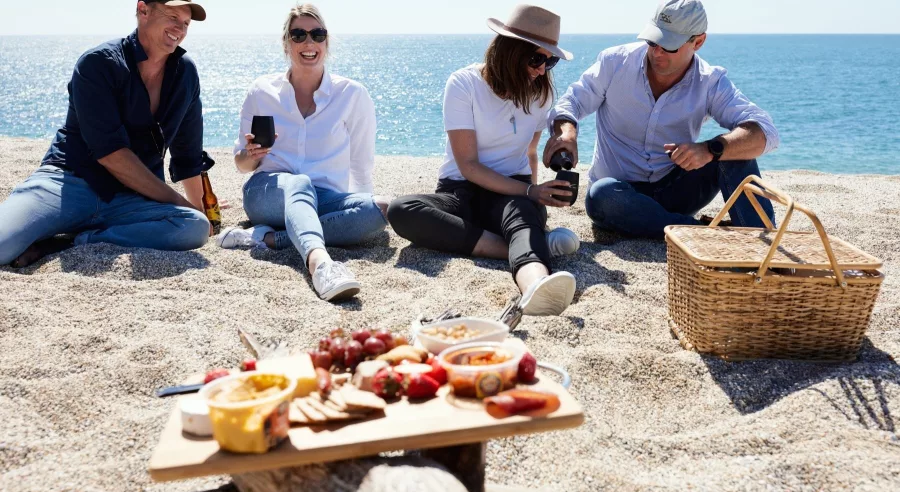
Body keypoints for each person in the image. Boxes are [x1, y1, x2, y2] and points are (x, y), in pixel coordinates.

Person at [388, 5, 580, 317]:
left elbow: (530, 153)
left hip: (512, 192)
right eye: (536, 58)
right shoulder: (464, 84)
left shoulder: (540, 95)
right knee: (402, 210)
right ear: (510, 51)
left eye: (550, 60)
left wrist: (534, 198)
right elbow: (468, 165)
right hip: (459, 190)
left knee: (523, 217)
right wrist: (531, 194)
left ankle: (535, 285)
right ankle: (528, 246)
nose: (542, 69)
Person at [0, 0, 213, 268]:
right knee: (2, 246)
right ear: (143, 10)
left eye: (185, 23)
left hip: (132, 197)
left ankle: (68, 243)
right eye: (172, 17)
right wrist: (178, 200)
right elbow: (111, 155)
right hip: (70, 183)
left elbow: (188, 152)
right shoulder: (98, 63)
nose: (179, 29)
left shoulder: (185, 73)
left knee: (193, 227)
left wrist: (199, 209)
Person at [543, 0, 779, 239]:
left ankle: (763, 240)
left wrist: (710, 149)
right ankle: (703, 234)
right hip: (619, 194)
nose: (657, 52)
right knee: (601, 194)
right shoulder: (614, 62)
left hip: (678, 191)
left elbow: (765, 132)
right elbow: (569, 103)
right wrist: (567, 132)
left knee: (734, 151)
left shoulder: (710, 82)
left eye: (669, 46)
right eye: (653, 41)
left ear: (698, 42)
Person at [217, 3, 386, 302]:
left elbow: (361, 162)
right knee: (299, 182)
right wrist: (252, 154)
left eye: (317, 34)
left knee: (383, 208)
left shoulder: (352, 94)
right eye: (298, 35)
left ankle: (266, 238)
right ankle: (320, 264)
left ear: (326, 42)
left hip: (324, 198)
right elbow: (241, 164)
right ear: (286, 43)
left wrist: (359, 206)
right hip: (267, 192)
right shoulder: (262, 91)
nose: (309, 43)